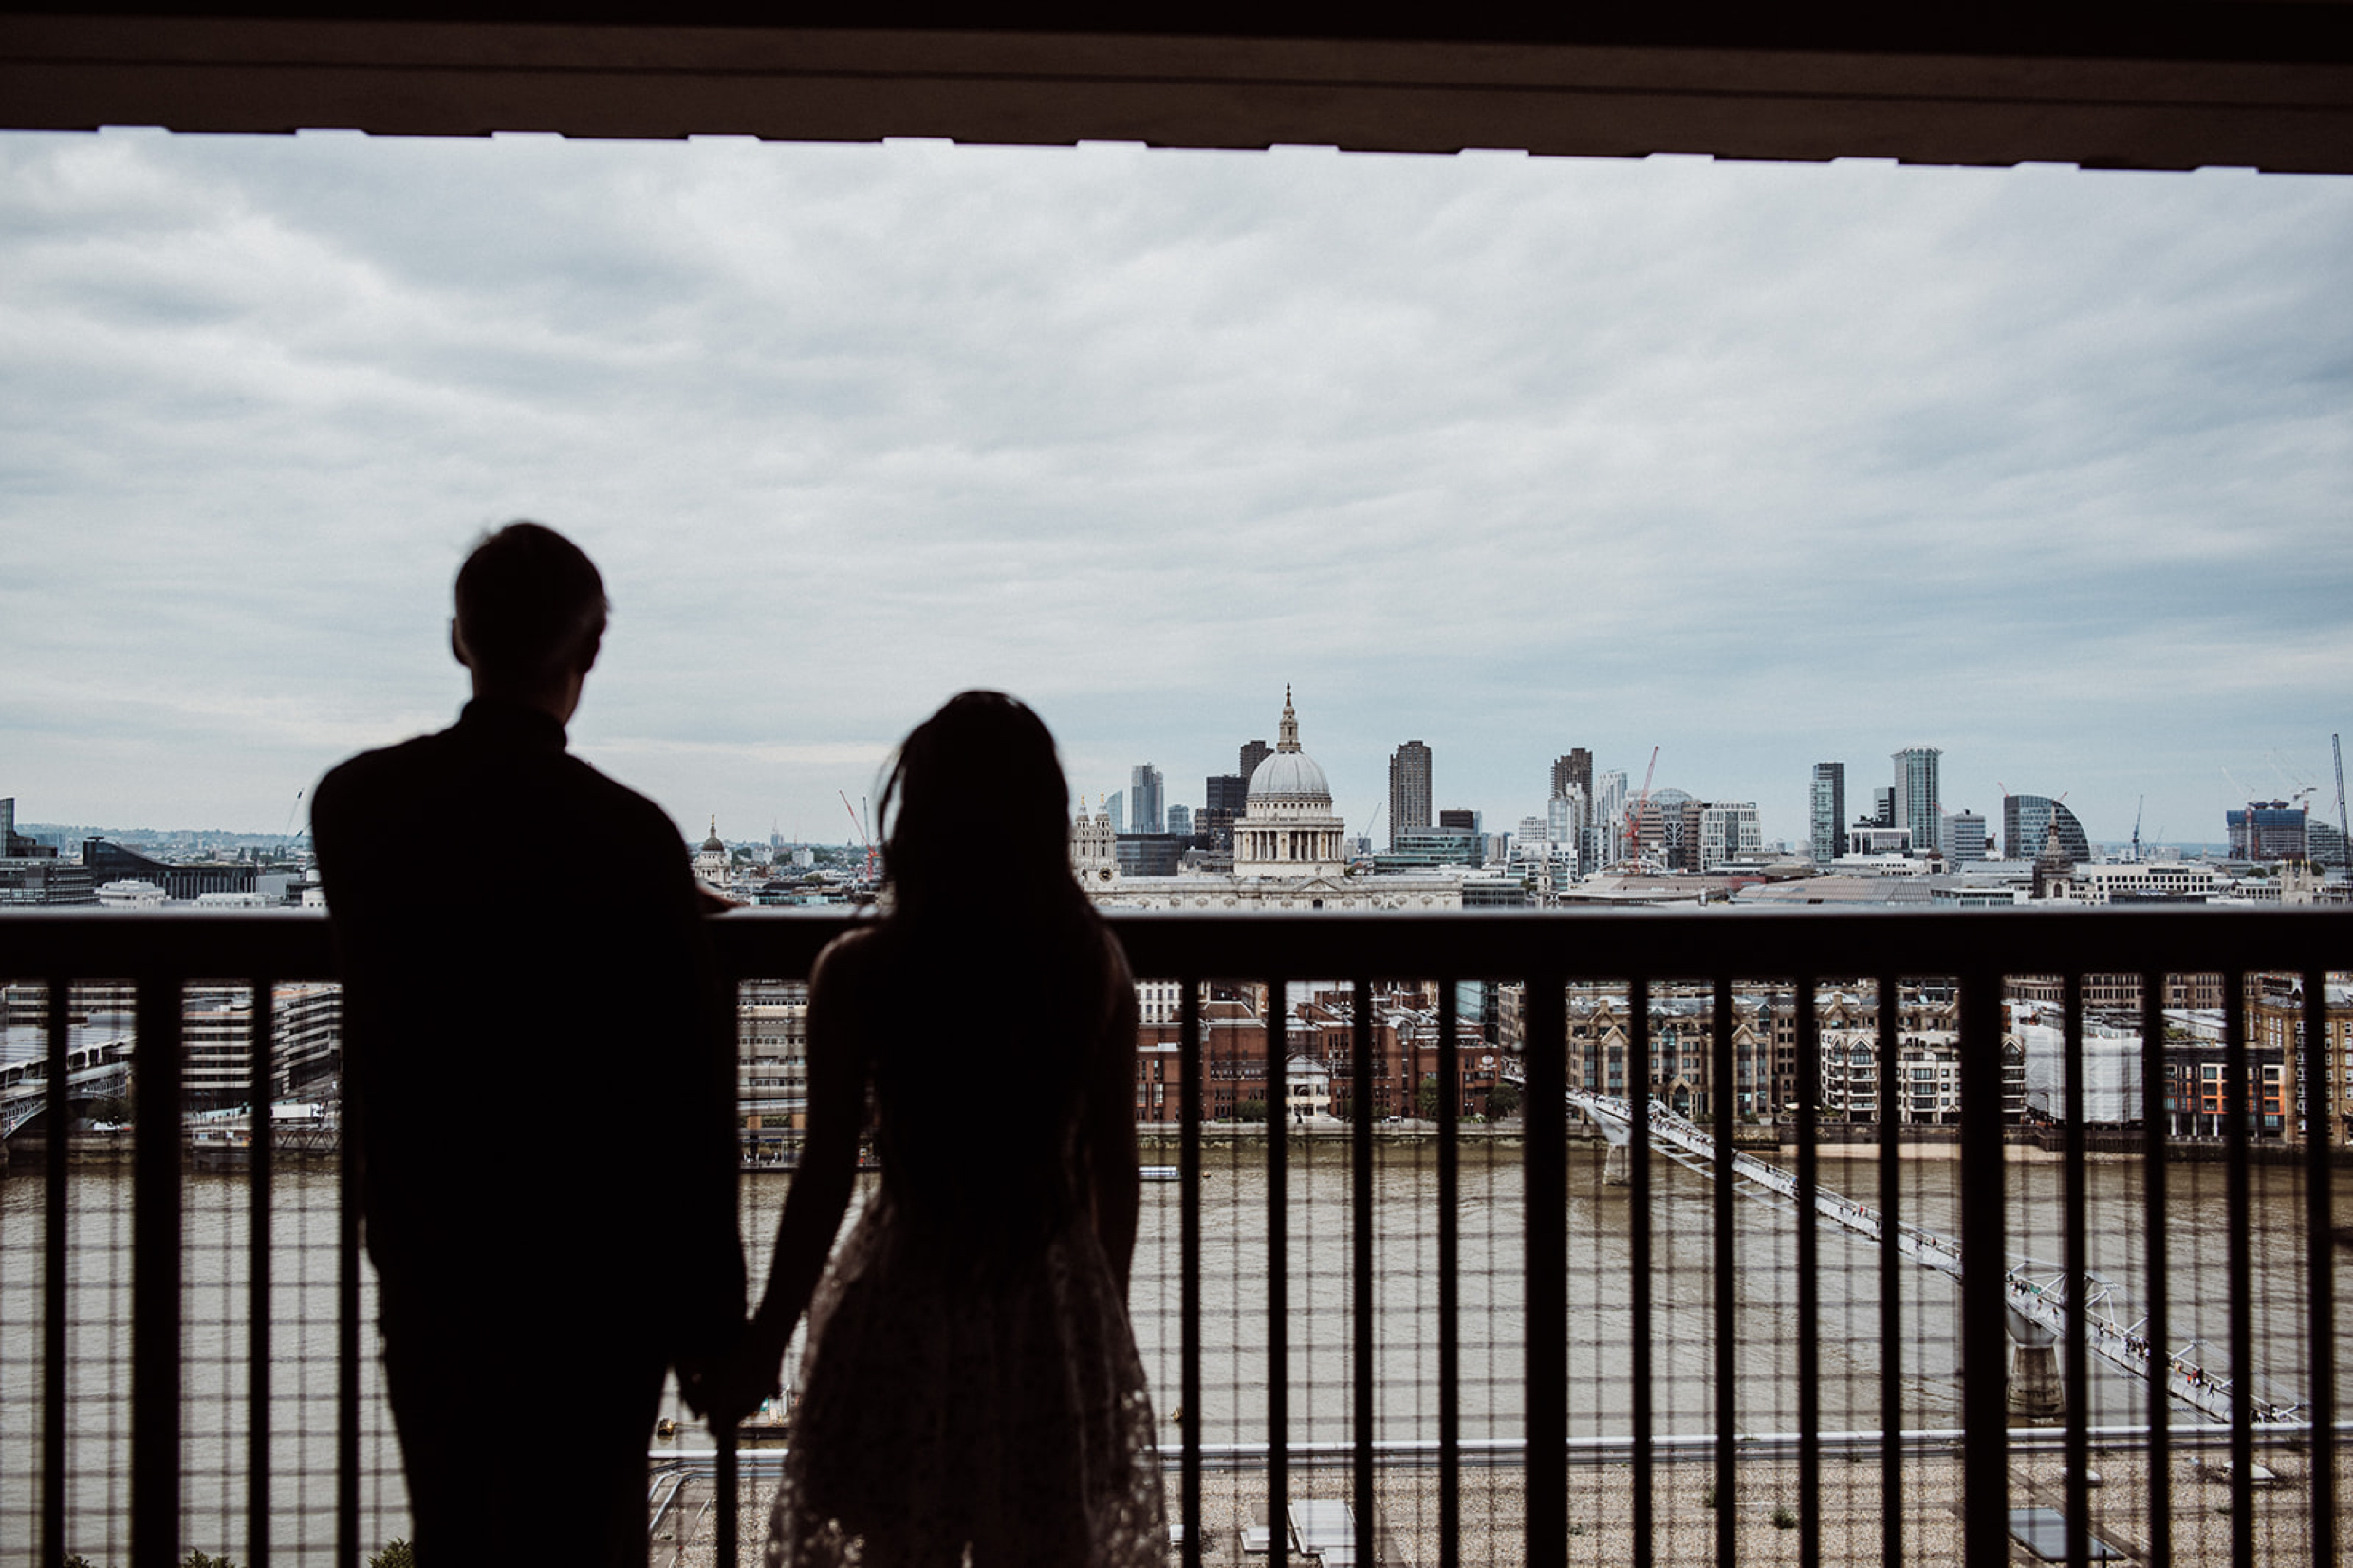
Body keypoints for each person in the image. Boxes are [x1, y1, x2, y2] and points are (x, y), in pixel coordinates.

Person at [312, 522, 744, 1567]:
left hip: (431, 1247)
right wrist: (713, 1328)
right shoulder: (631, 838)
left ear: (459, 638)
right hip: (597, 1275)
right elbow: (688, 1098)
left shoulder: (354, 807)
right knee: (589, 1534)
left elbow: (471, 854)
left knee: (457, 1528)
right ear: (589, 654)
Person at [711, 692, 1166, 1568]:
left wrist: (765, 1336)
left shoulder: (858, 971)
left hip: (904, 1285)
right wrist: (1101, 1313)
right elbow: (1118, 1168)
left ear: (915, 815)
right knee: (1042, 1535)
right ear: (1046, 820)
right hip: (1046, 1288)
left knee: (896, 1536)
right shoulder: (1089, 964)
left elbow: (821, 1180)